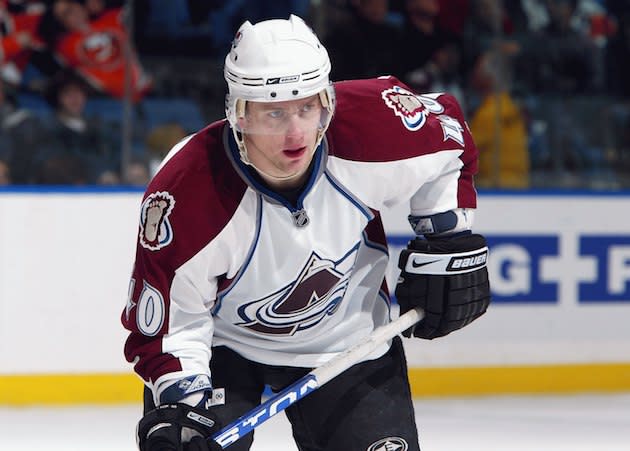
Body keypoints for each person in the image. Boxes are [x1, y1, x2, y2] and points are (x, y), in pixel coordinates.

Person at [122, 15, 491, 451]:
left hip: (347, 340)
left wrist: (445, 235)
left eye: (307, 107)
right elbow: (173, 324)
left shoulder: (373, 124)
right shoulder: (187, 192)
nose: (296, 132)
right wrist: (182, 405)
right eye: (273, 112)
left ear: (327, 102)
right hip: (224, 347)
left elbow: (449, 140)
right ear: (238, 114)